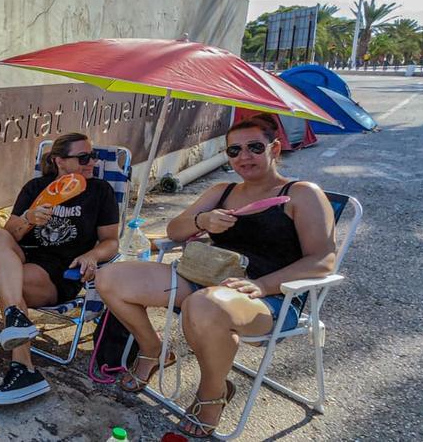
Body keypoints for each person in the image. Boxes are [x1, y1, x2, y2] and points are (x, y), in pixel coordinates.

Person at [96, 115, 336, 438]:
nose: (243, 157)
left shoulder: (302, 194)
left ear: (275, 148)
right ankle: (152, 349)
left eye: (254, 147)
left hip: (271, 299)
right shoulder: (223, 191)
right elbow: (174, 230)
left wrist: (261, 285)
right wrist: (203, 221)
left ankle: (212, 395)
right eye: (234, 151)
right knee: (110, 278)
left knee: (202, 305)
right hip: (205, 281)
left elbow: (323, 260)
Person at [0, 132, 120, 406]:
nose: (92, 161)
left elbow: (111, 242)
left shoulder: (99, 191)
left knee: (10, 283)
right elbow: (12, 234)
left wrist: (93, 254)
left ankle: (23, 366)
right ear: (59, 160)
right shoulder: (36, 188)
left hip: (61, 272)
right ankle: (16, 322)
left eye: (92, 156)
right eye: (83, 157)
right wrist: (28, 219)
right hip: (23, 259)